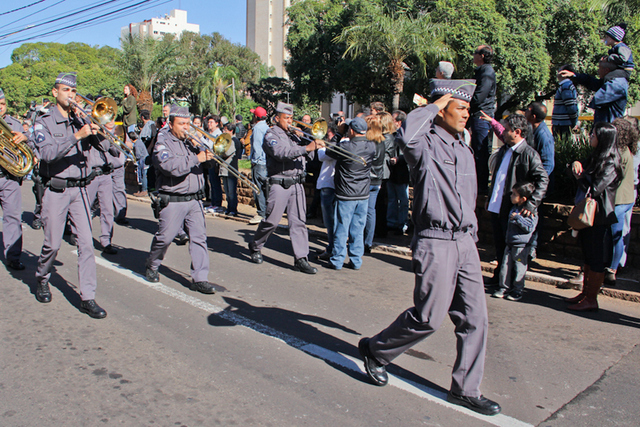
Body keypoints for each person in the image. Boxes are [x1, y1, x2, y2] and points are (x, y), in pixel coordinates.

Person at [358, 80, 502, 416]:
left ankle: (465, 389)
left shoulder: (463, 147)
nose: (467, 114)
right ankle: (377, 351)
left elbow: (468, 197)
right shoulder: (424, 143)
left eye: (468, 108)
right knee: (428, 318)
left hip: (465, 241)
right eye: (459, 107)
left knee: (476, 318)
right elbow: (405, 134)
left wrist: (473, 239)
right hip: (436, 240)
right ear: (442, 108)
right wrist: (435, 104)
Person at [32, 72, 109, 318]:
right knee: (52, 245)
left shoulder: (80, 119)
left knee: (86, 244)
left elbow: (104, 148)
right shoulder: (43, 121)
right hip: (56, 189)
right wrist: (76, 135)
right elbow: (47, 154)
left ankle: (87, 297)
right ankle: (42, 276)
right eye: (66, 90)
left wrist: (98, 130)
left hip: (80, 190)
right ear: (55, 92)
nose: (71, 95)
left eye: (74, 91)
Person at [145, 106, 217, 294]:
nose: (186, 127)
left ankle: (200, 278)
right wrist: (197, 158)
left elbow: (209, 162)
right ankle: (152, 264)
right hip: (173, 199)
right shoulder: (163, 142)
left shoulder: (191, 141)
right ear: (171, 124)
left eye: (188, 123)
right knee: (165, 238)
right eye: (181, 124)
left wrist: (204, 148)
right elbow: (170, 167)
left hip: (195, 199)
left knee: (199, 238)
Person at [248, 101, 323, 274]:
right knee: (272, 221)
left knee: (298, 224)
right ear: (277, 118)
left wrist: (310, 140)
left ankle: (301, 258)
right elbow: (281, 153)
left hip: (297, 183)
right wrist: (306, 147)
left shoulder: (295, 135)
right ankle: (256, 245)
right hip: (279, 184)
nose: (290, 121)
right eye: (286, 118)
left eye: (291, 118)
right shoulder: (270, 134)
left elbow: (309, 157)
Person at [565, 122, 623, 312]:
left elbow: (596, 188)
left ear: (604, 137)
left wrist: (580, 177)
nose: (590, 136)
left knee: (596, 257)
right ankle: (585, 293)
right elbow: (583, 173)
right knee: (588, 255)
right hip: (588, 215)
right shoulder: (596, 156)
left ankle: (592, 298)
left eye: (594, 134)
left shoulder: (611, 161)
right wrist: (575, 165)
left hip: (599, 216)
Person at [485, 114, 548, 285]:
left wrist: (531, 203)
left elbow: (543, 179)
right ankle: (500, 275)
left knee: (511, 248)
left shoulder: (529, 154)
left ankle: (512, 281)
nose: (503, 132)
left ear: (517, 132)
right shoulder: (505, 150)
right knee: (499, 244)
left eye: (506, 129)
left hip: (512, 208)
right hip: (497, 206)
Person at [327, 117, 376, 270]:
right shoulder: (371, 146)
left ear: (352, 130)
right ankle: (356, 260)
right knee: (358, 229)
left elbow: (329, 149)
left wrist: (338, 133)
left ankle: (337, 260)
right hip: (362, 194)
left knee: (341, 228)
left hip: (345, 194)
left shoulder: (346, 146)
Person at [605, 117, 638, 286]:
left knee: (616, 236)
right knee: (614, 235)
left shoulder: (622, 153)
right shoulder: (626, 150)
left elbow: (615, 177)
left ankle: (612, 268)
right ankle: (611, 266)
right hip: (624, 199)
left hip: (620, 200)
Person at [492, 182, 538, 301]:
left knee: (519, 269)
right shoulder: (514, 208)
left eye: (514, 194)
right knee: (504, 267)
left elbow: (529, 227)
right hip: (510, 244)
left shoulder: (529, 212)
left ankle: (518, 290)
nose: (511, 196)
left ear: (523, 198)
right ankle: (504, 288)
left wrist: (518, 219)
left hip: (521, 247)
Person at [0, 88, 30, 271]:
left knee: (12, 217)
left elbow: (29, 149)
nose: (0, 108)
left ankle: (13, 257)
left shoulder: (15, 124)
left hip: (9, 178)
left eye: (2, 104)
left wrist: (25, 138)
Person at [560, 59, 628, 124]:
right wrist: (574, 75)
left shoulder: (616, 84)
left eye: (599, 68)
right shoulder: (608, 81)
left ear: (606, 70)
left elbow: (597, 100)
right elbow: (591, 82)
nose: (598, 71)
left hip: (609, 128)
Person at [469, 45, 497, 194]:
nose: (473, 55)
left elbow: (479, 96)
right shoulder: (482, 71)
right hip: (478, 116)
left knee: (481, 151)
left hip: (482, 116)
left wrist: (466, 102)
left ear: (482, 56)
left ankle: (482, 187)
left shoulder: (486, 72)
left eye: (475, 53)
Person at [362, 114, 386, 253]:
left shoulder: (368, 143)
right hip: (377, 179)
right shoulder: (382, 142)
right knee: (371, 211)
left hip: (366, 180)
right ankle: (368, 243)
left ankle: (360, 241)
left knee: (360, 212)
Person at [315, 122, 339, 261]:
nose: (326, 137)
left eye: (327, 134)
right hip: (327, 183)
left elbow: (322, 156)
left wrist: (322, 146)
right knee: (329, 221)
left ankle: (332, 249)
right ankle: (331, 247)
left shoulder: (338, 144)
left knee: (330, 221)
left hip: (330, 185)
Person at [249, 106, 269, 224]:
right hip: (267, 162)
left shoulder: (257, 128)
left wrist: (255, 161)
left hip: (259, 163)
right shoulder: (267, 127)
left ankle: (261, 213)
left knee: (258, 189)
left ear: (256, 116)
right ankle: (266, 212)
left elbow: (257, 147)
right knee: (265, 189)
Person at [551, 65, 579, 141]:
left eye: (560, 70)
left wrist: (573, 121)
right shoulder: (564, 86)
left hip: (563, 124)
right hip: (561, 123)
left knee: (562, 147)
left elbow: (571, 107)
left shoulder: (566, 87)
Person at [219, 123, 238, 216]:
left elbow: (226, 153)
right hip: (224, 169)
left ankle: (233, 209)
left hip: (230, 169)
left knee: (231, 192)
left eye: (226, 130)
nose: (223, 131)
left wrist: (219, 151)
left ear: (231, 131)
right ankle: (229, 207)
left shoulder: (233, 141)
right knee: (227, 191)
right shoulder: (226, 140)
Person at [136, 109, 155, 196]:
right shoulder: (147, 126)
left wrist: (150, 147)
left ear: (142, 117)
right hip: (145, 151)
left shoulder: (151, 125)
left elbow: (153, 136)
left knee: (147, 171)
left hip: (148, 152)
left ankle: (147, 189)